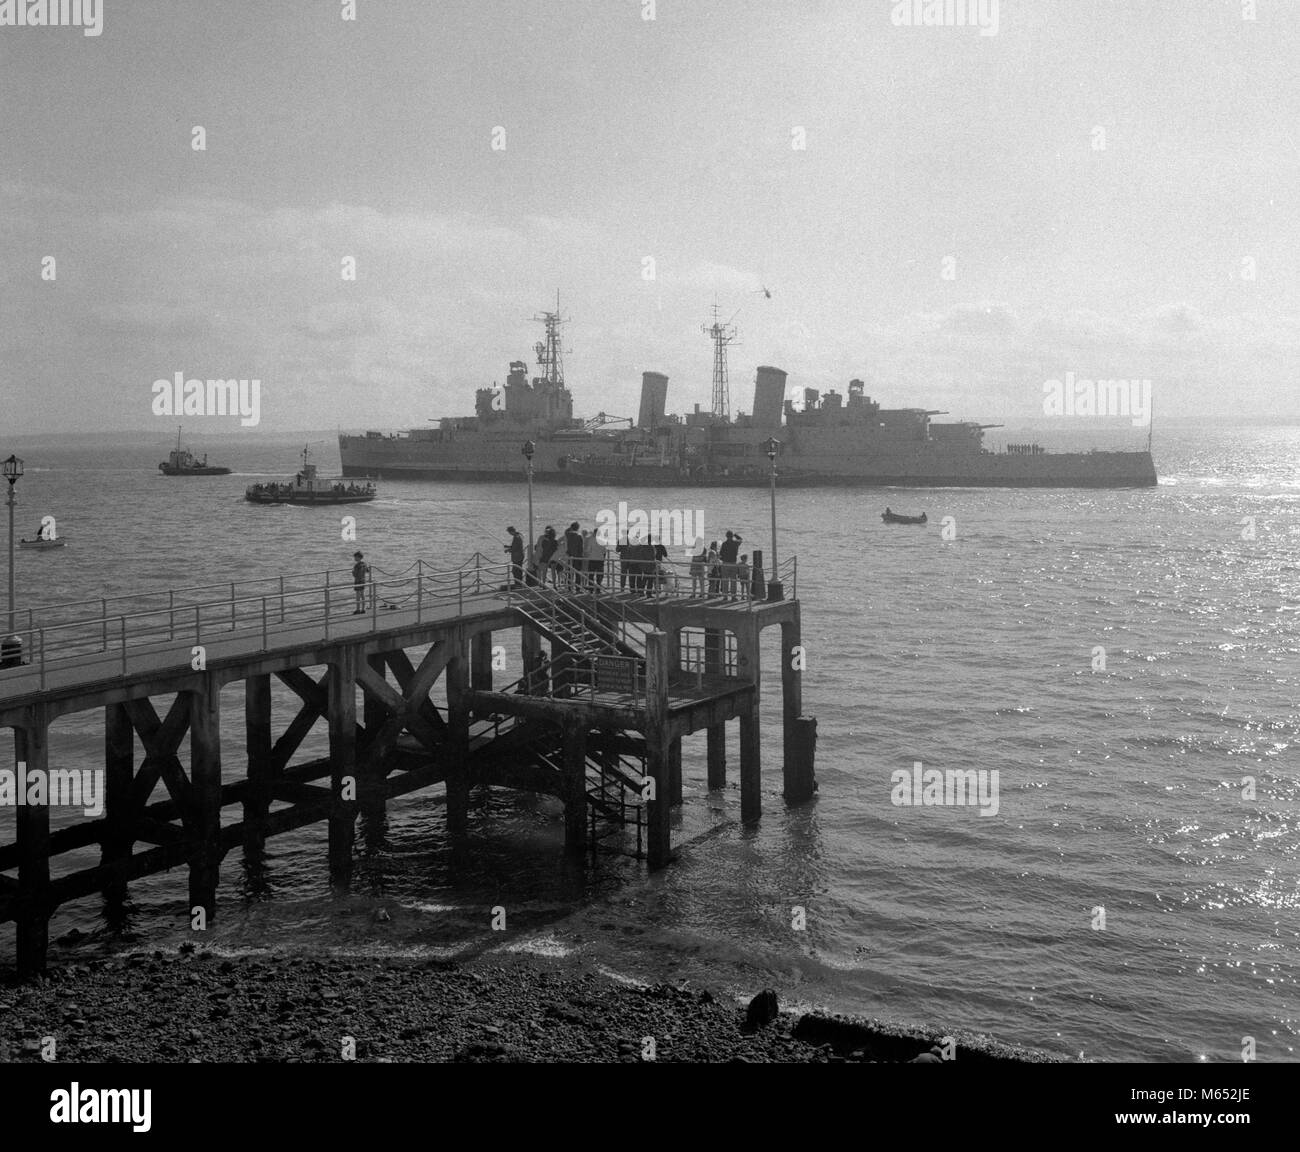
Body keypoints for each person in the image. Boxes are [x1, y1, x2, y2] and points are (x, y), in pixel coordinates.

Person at [719, 530, 741, 598]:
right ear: (732, 536)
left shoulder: (724, 544)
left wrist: (723, 559)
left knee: (725, 580)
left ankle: (725, 596)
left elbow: (721, 554)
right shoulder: (736, 543)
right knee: (733, 581)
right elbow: (740, 539)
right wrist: (735, 535)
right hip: (733, 563)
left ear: (726, 536)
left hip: (725, 563)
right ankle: (733, 596)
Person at [585, 526, 607, 592]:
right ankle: (598, 588)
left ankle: (591, 589)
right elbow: (604, 552)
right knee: (599, 575)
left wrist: (587, 554)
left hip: (592, 559)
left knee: (591, 574)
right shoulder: (603, 541)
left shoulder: (591, 540)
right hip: (600, 560)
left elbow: (588, 550)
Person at [564, 522, 584, 590]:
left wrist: (571, 527)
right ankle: (577, 587)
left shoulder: (568, 535)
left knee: (570, 572)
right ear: (578, 528)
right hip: (578, 556)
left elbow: (566, 531)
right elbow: (581, 548)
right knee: (578, 573)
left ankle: (569, 586)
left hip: (570, 556)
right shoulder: (579, 536)